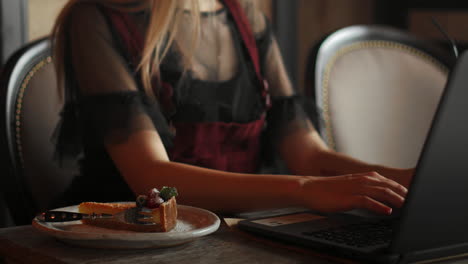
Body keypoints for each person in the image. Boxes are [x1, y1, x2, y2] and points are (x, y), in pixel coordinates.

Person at [51, 0, 413, 215]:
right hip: (131, 237)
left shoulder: (243, 14)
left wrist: (400, 179)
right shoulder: (97, 16)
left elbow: (309, 155)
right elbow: (152, 177)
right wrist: (303, 189)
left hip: (239, 231)